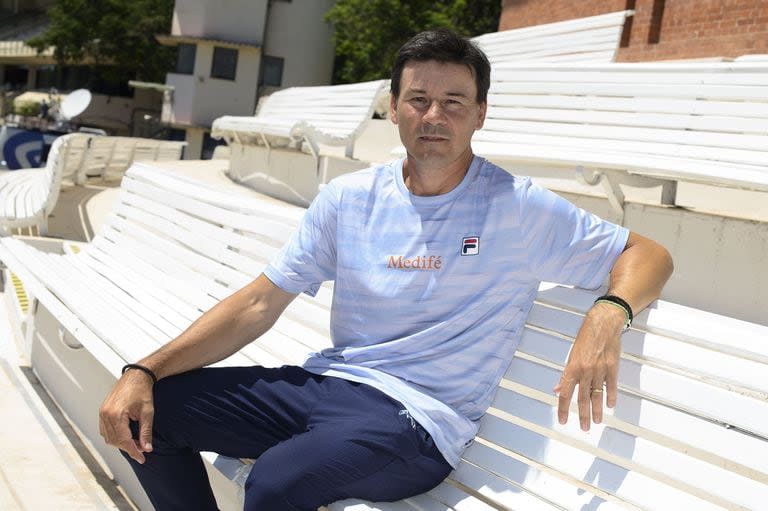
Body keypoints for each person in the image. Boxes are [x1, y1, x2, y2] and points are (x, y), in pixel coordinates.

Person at [99, 29, 673, 511]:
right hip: (331, 388)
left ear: (480, 114)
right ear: (393, 107)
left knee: (276, 480)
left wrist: (608, 312)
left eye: (454, 102)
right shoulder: (350, 198)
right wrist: (145, 371)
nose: (434, 115)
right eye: (418, 98)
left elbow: (649, 254)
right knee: (145, 416)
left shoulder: (515, 206)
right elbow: (259, 302)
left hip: (417, 424)